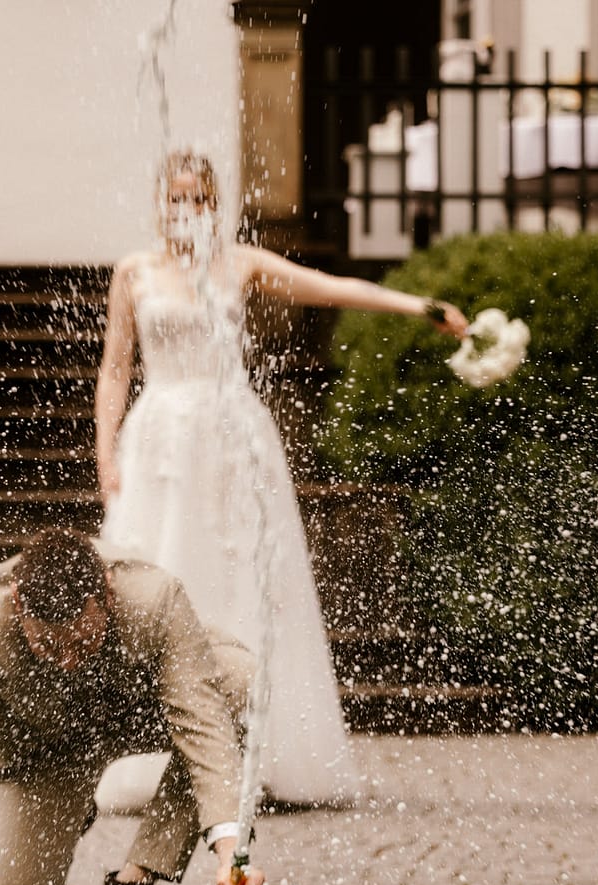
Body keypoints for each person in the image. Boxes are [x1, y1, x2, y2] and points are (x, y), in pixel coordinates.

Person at [94, 149, 469, 806]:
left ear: (215, 206)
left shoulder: (241, 266)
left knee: (247, 583)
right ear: (161, 204)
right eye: (176, 198)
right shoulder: (135, 272)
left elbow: (333, 286)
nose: (187, 210)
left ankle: (264, 756)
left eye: (200, 199)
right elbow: (115, 367)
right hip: (160, 446)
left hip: (233, 440)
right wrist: (105, 452)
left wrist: (422, 306)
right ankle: (162, 760)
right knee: (163, 576)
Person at [0, 526, 268, 885]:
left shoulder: (156, 599)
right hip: (46, 749)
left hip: (143, 716)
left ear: (107, 593)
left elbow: (204, 728)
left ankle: (135, 882)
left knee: (242, 684)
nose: (68, 661)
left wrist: (231, 858)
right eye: (48, 646)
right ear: (17, 603)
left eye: (84, 640)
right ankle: (71, 806)